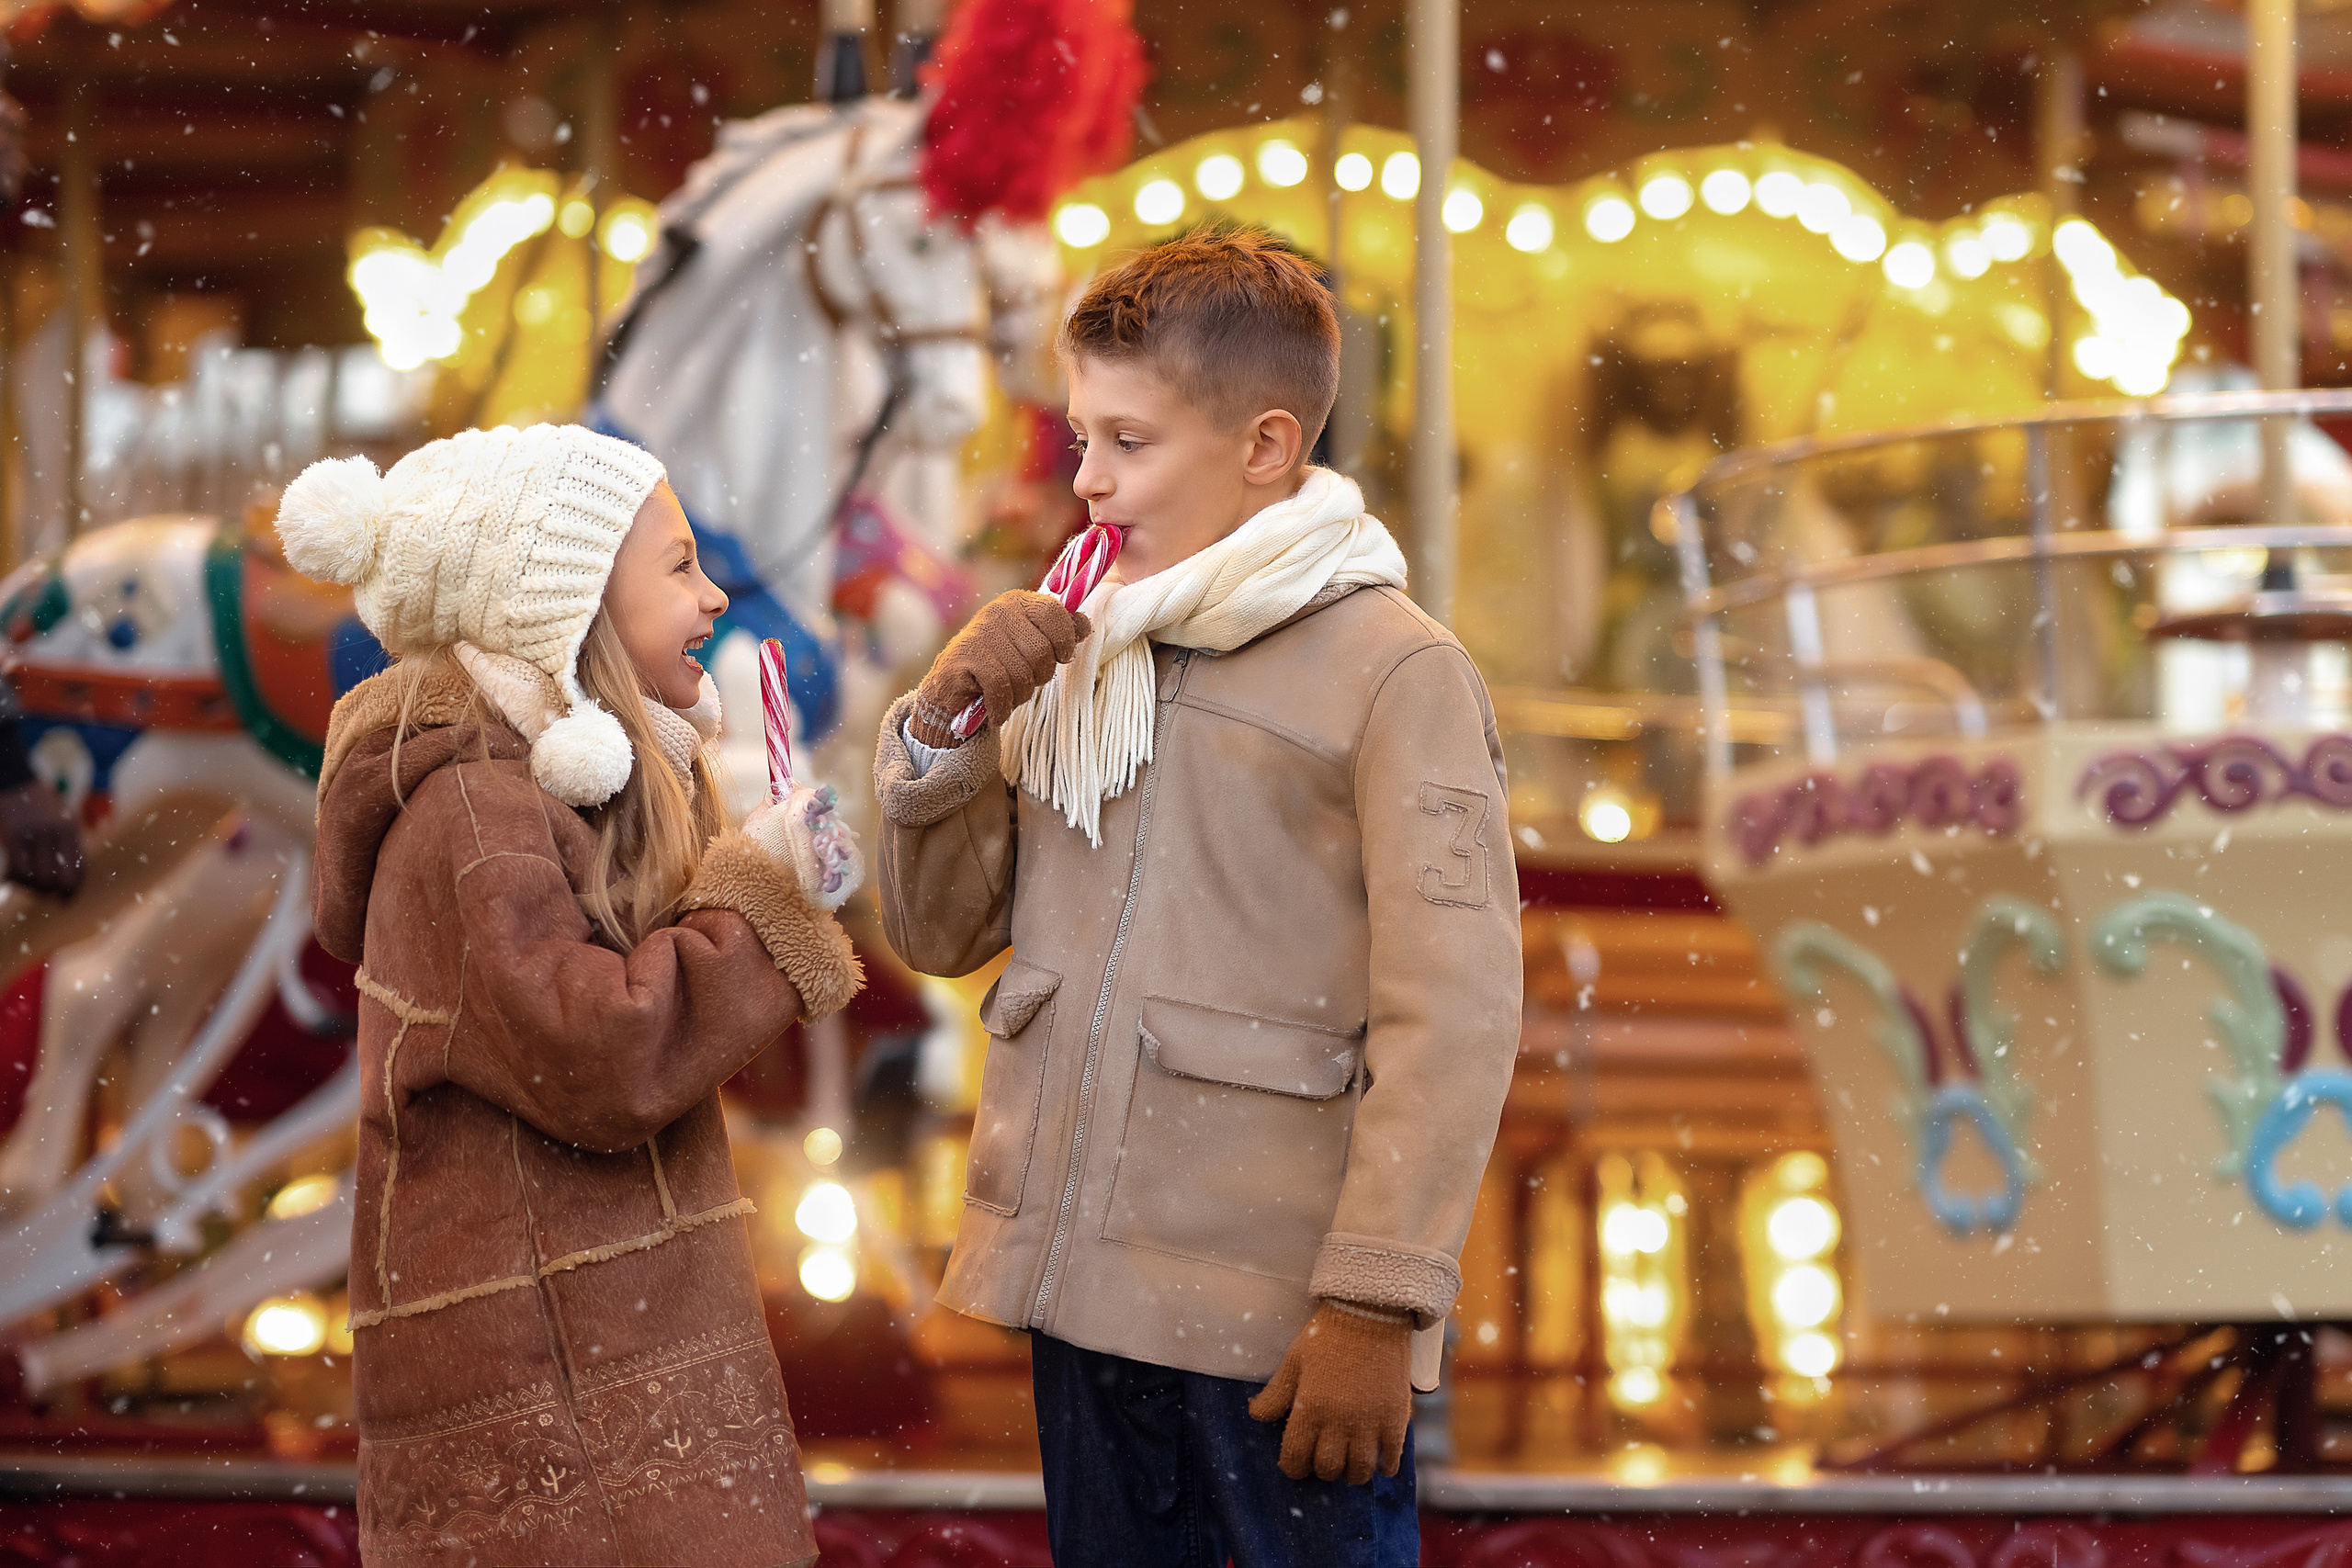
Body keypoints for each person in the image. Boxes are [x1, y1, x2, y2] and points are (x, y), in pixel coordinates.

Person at [872, 229, 1522, 1566]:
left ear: (1268, 446)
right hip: (1080, 1293)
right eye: (1080, 440)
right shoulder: (1080, 641)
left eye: (1130, 442)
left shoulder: (1396, 669)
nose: (1090, 481)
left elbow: (1452, 1010)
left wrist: (1377, 1298)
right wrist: (945, 734)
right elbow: (942, 933)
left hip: (1276, 1320)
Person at [281, 425, 863, 1568]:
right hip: (559, 1403)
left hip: (595, 1376)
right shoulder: (472, 817)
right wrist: (759, 906)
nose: (711, 595)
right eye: (680, 565)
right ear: (571, 601)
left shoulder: (545, 788)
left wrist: (766, 862)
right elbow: (600, 1051)